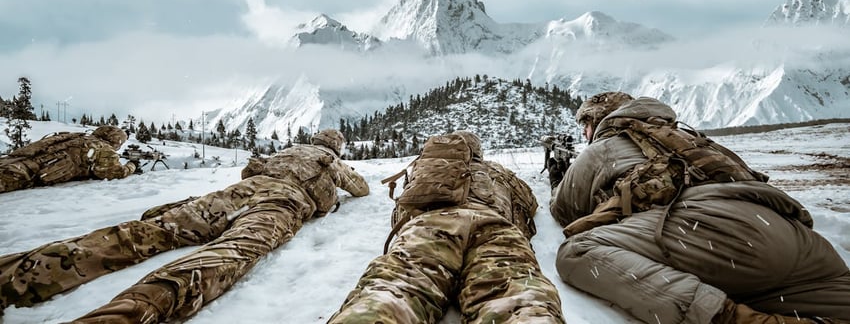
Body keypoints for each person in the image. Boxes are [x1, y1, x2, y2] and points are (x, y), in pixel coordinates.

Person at [0, 129, 369, 323]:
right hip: (281, 203)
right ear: (335, 147)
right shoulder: (327, 159)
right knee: (234, 250)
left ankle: (18, 276)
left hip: (237, 192)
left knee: (152, 231)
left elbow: (249, 170)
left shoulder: (285, 151)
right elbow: (361, 188)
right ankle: (131, 312)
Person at [549, 92, 850, 323]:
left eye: (585, 126)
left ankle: (733, 318)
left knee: (577, 251)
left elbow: (564, 209)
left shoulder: (606, 146)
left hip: (717, 234)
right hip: (792, 235)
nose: (584, 135)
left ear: (599, 121)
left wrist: (558, 174)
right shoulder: (693, 139)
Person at [330, 130, 565, 324]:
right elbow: (530, 204)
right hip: (494, 229)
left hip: (430, 227)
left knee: (394, 289)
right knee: (517, 296)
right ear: (478, 152)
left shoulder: (428, 169)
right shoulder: (497, 171)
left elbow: (403, 211)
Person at [0, 125, 137, 194]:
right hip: (24, 173)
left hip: (13, 161)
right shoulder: (103, 148)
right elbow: (113, 172)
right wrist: (132, 165)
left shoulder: (78, 137)